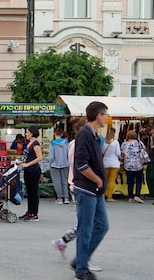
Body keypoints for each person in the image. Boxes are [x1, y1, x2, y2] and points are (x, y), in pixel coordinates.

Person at [70, 101, 109, 280]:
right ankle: (81, 270)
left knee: (101, 226)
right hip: (86, 189)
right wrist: (98, 179)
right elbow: (81, 163)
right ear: (98, 115)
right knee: (86, 229)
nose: (107, 118)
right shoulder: (85, 134)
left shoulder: (92, 134)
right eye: (105, 114)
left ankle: (80, 259)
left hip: (94, 190)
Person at [20, 127, 43, 221]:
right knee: (29, 192)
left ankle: (34, 213)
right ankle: (29, 211)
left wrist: (27, 164)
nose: (26, 134)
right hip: (27, 170)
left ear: (32, 133)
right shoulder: (28, 143)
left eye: (27, 132)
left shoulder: (36, 144)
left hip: (33, 170)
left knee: (33, 192)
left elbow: (39, 157)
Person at [120, 130, 147, 204]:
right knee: (139, 181)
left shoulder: (124, 144)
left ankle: (130, 196)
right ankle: (137, 195)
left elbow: (122, 154)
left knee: (130, 181)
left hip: (128, 165)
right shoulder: (139, 142)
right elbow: (143, 150)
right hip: (138, 165)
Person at [49, 130, 71, 205]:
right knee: (64, 181)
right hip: (65, 164)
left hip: (54, 165)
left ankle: (60, 198)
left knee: (57, 182)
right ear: (61, 134)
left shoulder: (52, 144)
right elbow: (69, 154)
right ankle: (66, 198)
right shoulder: (67, 143)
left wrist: (50, 163)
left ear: (55, 134)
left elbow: (51, 156)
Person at [101, 128, 121, 201]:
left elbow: (102, 152)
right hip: (114, 163)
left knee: (104, 180)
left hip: (105, 163)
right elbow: (118, 153)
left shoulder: (104, 142)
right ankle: (109, 196)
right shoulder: (115, 142)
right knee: (111, 180)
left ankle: (103, 194)